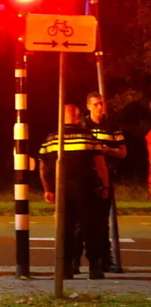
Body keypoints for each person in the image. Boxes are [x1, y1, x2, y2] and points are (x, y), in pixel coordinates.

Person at [39, 104, 110, 279]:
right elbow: (100, 164)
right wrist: (105, 186)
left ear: (61, 117)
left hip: (62, 189)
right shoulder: (88, 137)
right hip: (85, 189)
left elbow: (43, 167)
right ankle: (94, 267)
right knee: (89, 228)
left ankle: (66, 267)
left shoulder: (51, 138)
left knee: (65, 228)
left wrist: (48, 189)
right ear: (78, 118)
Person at [82, 92, 126, 274]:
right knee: (81, 222)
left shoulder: (112, 127)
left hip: (106, 177)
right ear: (89, 106)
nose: (100, 108)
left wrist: (108, 150)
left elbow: (123, 152)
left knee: (102, 221)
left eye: (102, 104)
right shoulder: (83, 126)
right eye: (96, 104)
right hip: (86, 178)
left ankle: (104, 260)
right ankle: (75, 261)